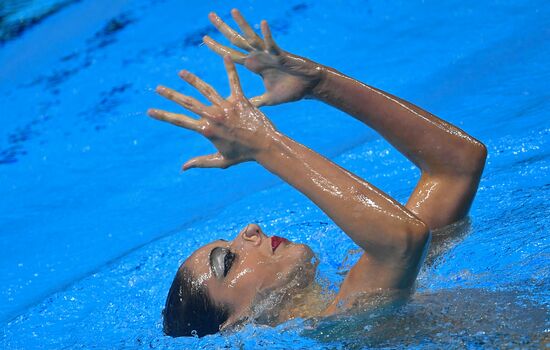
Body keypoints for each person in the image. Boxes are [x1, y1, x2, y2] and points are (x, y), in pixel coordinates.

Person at [147, 9, 487, 338]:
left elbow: (457, 164)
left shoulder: (366, 279)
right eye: (228, 260)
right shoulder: (344, 331)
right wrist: (263, 145)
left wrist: (320, 83)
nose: (249, 230)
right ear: (237, 322)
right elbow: (403, 239)